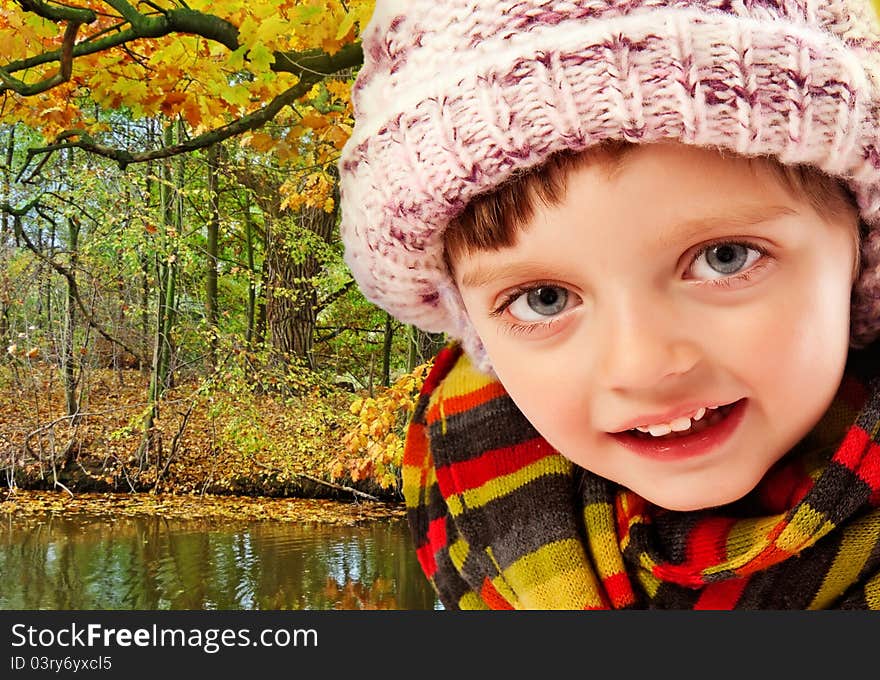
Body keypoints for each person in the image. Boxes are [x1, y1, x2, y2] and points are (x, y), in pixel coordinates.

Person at [338, 0, 880, 609]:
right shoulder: (477, 517)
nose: (641, 365)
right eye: (543, 300)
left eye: (725, 257)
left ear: (861, 253)